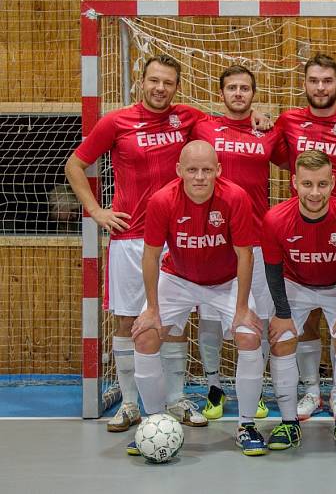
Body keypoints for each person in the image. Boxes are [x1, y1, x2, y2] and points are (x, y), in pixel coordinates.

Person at [65, 55, 208, 432]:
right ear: (140, 81)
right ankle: (129, 404)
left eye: (168, 83)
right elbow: (74, 165)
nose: (161, 88)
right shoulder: (116, 121)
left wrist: (258, 117)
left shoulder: (187, 119)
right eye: (154, 81)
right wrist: (96, 211)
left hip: (177, 240)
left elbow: (228, 127)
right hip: (131, 238)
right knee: (127, 319)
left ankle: (175, 399)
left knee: (174, 321)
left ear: (177, 87)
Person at [130, 141, 267, 456]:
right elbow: (150, 256)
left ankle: (246, 426)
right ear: (179, 171)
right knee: (145, 337)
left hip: (226, 280)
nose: (200, 177)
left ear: (218, 170)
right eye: (192, 170)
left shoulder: (236, 197)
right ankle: (152, 423)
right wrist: (152, 309)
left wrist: (243, 308)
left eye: (207, 170)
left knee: (249, 337)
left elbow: (245, 255)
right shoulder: (162, 200)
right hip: (177, 278)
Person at [273, 53, 336, 421]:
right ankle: (312, 391)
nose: (320, 87)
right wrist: (257, 120)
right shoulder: (288, 122)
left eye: (327, 80)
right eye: (314, 80)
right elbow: (277, 157)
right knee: (306, 322)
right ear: (305, 84)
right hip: (301, 232)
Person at [192, 65, 283, 421]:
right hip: (212, 238)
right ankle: (214, 387)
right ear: (221, 93)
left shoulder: (268, 132)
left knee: (257, 317)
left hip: (257, 239)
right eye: (232, 87)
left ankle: (254, 389)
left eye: (245, 88)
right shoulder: (203, 127)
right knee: (211, 317)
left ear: (254, 94)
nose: (239, 94)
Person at [261, 150, 336, 451]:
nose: (314, 192)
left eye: (322, 184)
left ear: (333, 183)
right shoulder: (274, 219)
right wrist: (282, 314)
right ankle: (288, 423)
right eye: (307, 184)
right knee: (281, 339)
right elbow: (272, 270)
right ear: (294, 182)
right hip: (295, 284)